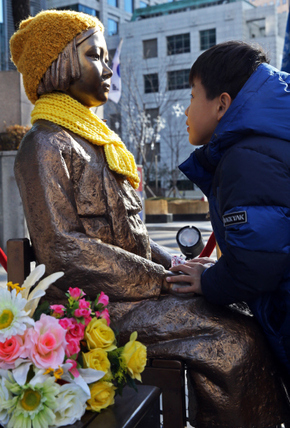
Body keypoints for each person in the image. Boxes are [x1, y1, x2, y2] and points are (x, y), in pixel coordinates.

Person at [10, 14, 290, 427]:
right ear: (60, 62)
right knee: (233, 344)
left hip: (128, 293)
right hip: (94, 306)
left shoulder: (97, 142)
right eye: (95, 56)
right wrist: (158, 279)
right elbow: (63, 249)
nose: (108, 69)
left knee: (235, 315)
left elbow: (132, 239)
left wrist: (171, 266)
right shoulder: (44, 143)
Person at [167, 40, 290, 380]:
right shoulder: (266, 144)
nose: (187, 110)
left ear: (222, 104)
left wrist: (209, 281)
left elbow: (256, 263)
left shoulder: (247, 158)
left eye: (192, 96)